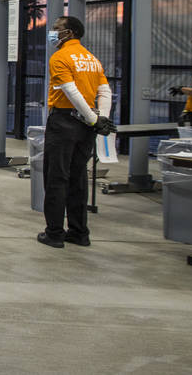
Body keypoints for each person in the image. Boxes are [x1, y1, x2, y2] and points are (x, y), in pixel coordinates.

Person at [38, 15, 112, 249]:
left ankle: (55, 233)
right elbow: (105, 90)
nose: (53, 32)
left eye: (57, 28)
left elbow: (70, 91)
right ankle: (79, 232)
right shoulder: (91, 59)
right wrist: (100, 119)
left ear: (69, 33)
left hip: (64, 122)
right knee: (78, 177)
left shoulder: (60, 57)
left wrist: (94, 119)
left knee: (56, 178)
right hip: (86, 126)